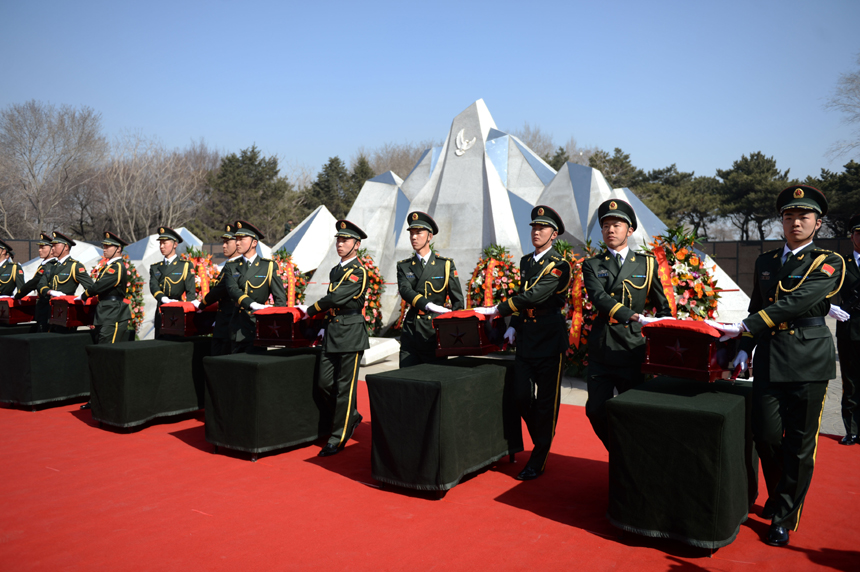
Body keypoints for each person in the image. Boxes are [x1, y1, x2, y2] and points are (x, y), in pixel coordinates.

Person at [713, 185, 844, 547]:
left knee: (800, 445)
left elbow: (798, 301)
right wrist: (744, 348)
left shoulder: (829, 263)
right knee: (767, 435)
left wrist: (745, 328)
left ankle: (785, 515)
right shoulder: (766, 262)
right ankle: (778, 492)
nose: (795, 222)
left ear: (818, 223)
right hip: (770, 357)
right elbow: (758, 306)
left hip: (808, 362)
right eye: (788, 216)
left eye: (803, 216)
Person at [475, 206, 570, 480]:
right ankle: (542, 434)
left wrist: (498, 310)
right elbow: (522, 295)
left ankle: (538, 459)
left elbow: (535, 296)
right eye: (533, 227)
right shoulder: (527, 262)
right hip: (527, 337)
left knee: (546, 403)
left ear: (553, 234)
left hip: (550, 339)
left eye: (542, 228)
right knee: (521, 396)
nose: (536, 232)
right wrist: (513, 326)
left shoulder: (560, 265)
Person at [581, 199, 671, 450]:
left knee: (633, 411)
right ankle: (619, 453)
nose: (610, 229)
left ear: (629, 230)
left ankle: (631, 460)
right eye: (605, 225)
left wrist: (661, 338)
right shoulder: (592, 264)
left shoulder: (647, 263)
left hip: (633, 348)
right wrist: (632, 316)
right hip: (603, 347)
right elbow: (599, 298)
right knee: (596, 410)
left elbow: (663, 307)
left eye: (616, 225)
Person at [298, 220, 369, 457]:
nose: (340, 244)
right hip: (333, 330)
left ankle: (338, 436)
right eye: (338, 239)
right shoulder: (336, 270)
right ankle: (351, 417)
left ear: (356, 245)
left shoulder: (359, 271)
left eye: (345, 240)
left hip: (350, 333)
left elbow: (336, 298)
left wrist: (310, 309)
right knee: (324, 383)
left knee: (345, 389)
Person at [396, 211, 464, 367]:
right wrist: (429, 305)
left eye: (418, 232)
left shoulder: (444, 265)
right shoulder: (404, 266)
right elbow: (405, 290)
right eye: (411, 233)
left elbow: (457, 301)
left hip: (434, 331)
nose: (414, 237)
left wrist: (455, 333)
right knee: (406, 379)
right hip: (411, 330)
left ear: (429, 236)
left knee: (433, 381)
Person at [78, 232, 132, 410]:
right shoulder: (108, 266)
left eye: (108, 246)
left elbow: (100, 286)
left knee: (109, 356)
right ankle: (98, 398)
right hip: (104, 313)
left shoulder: (116, 267)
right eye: (104, 245)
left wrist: (85, 294)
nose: (105, 248)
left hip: (114, 314)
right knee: (102, 357)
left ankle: (109, 400)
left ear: (118, 249)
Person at [223, 220, 286, 353]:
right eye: (236, 239)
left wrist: (274, 325)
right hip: (238, 326)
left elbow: (280, 299)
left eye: (241, 239)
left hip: (258, 325)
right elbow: (232, 290)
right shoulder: (231, 266)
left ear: (254, 243)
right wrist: (252, 304)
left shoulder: (267, 266)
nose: (237, 243)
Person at [831, 213, 860, 445]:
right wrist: (829, 307)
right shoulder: (841, 263)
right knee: (850, 383)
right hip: (849, 331)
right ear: (852, 237)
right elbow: (826, 288)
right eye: (859, 233)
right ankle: (851, 430)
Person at [197, 224, 243, 356]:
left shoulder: (237, 266)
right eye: (223, 242)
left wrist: (202, 303)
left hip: (229, 323)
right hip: (223, 322)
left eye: (227, 242)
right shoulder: (230, 265)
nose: (224, 246)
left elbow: (220, 289)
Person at [37, 231, 94, 332]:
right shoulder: (50, 265)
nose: (52, 248)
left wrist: (81, 300)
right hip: (48, 311)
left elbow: (90, 287)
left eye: (55, 245)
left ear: (66, 247)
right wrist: (51, 292)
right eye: (52, 245)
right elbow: (41, 285)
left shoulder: (75, 266)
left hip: (65, 311)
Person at [149, 227, 197, 339]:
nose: (161, 246)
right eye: (160, 243)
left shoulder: (185, 265)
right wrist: (163, 298)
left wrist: (188, 315)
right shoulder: (155, 267)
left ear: (175, 244)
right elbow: (153, 286)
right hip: (161, 310)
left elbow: (190, 292)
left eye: (165, 243)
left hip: (178, 311)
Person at [15, 232, 57, 332]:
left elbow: (34, 283)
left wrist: (18, 295)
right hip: (42, 304)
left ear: (52, 250)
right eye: (39, 247)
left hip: (46, 304)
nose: (39, 250)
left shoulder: (50, 265)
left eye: (43, 248)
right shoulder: (44, 265)